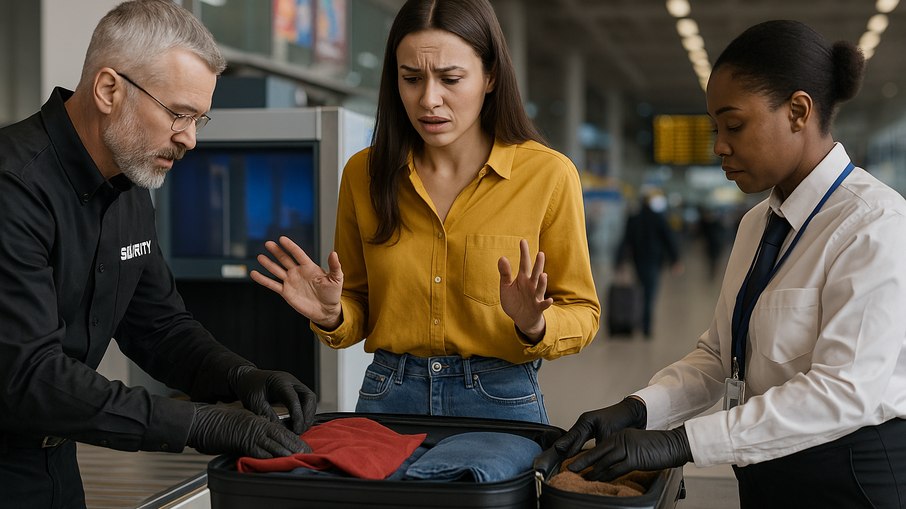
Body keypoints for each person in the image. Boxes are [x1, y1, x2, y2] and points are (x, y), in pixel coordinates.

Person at [552, 20, 906, 508]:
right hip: (766, 471)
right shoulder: (757, 224)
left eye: (733, 125)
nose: (718, 145)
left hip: (849, 480)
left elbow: (844, 392)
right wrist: (638, 410)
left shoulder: (874, 224)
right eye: (716, 128)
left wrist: (684, 443)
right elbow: (720, 358)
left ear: (799, 111)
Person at [0, 2, 317, 507]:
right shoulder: (13, 187)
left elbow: (159, 328)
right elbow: (29, 376)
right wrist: (201, 423)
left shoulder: (130, 192)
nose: (190, 138)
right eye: (178, 113)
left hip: (55, 467)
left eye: (198, 119)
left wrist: (240, 376)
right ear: (109, 90)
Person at [252, 0, 600, 424]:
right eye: (411, 78)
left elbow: (583, 312)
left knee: (474, 484)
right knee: (360, 487)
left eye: (451, 78)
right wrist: (334, 314)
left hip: (498, 398)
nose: (428, 99)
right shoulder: (365, 172)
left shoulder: (546, 174)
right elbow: (358, 301)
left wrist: (535, 325)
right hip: (386, 393)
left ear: (491, 77)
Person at [614, 189, 682, 338]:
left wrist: (619, 261)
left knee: (640, 290)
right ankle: (646, 326)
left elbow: (625, 240)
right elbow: (669, 239)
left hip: (638, 260)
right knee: (650, 293)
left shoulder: (634, 218)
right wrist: (675, 259)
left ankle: (638, 321)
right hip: (654, 260)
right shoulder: (658, 218)